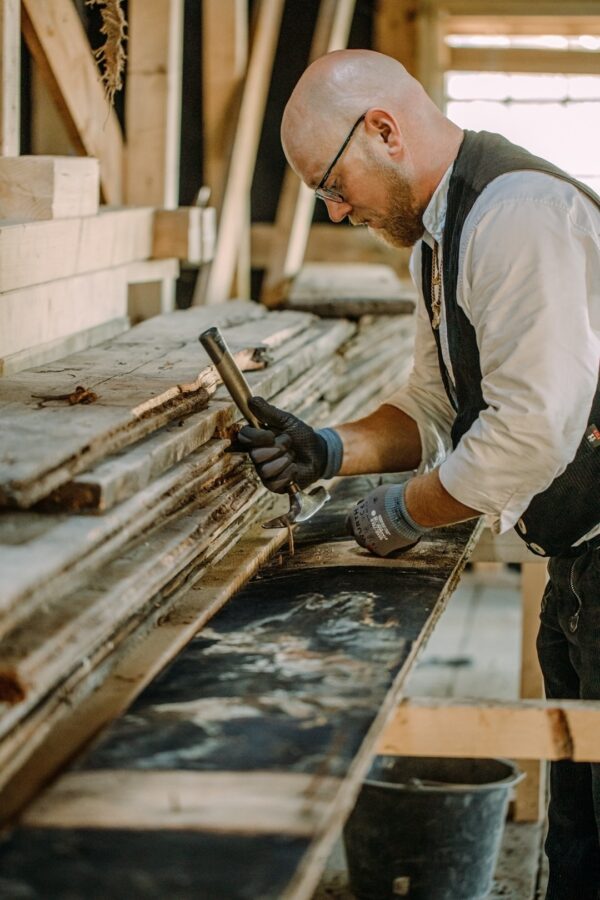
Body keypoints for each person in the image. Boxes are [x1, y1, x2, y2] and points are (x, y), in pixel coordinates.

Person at [237, 50, 600, 898]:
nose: (334, 209)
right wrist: (330, 449)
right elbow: (436, 403)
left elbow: (527, 433)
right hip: (579, 563)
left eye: (331, 183)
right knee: (576, 835)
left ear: (385, 130)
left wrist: (400, 515)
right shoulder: (441, 237)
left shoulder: (518, 216)